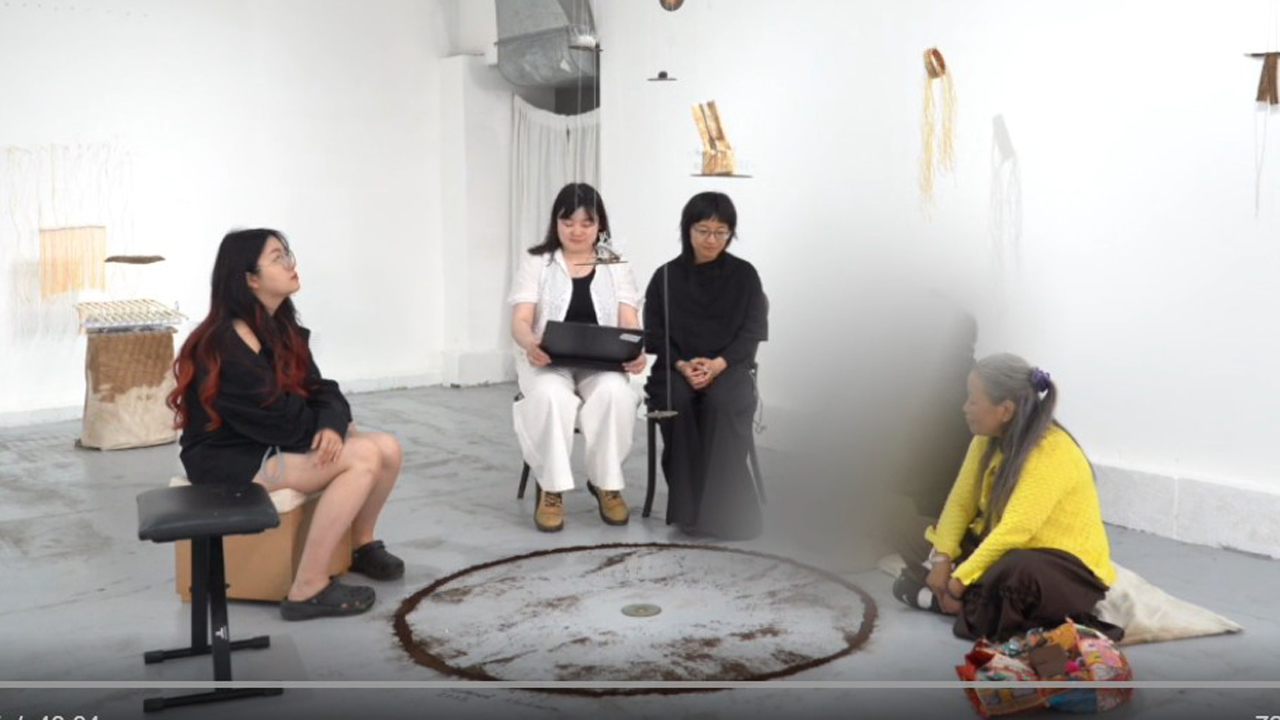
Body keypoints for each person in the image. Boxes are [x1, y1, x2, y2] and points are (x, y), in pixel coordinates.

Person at [168, 229, 405, 621]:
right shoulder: (224, 344)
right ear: (250, 278)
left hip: (265, 440)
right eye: (277, 258)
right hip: (228, 459)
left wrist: (331, 424)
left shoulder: (278, 326)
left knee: (387, 448)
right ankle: (307, 587)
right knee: (362, 456)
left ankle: (360, 545)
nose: (290, 264)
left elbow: (322, 389)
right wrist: (329, 426)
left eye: (287, 254)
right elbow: (283, 423)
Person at [892, 353, 1123, 642]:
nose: (965, 407)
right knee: (909, 530)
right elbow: (960, 503)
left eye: (973, 400)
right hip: (1001, 550)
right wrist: (941, 559)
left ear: (1005, 410)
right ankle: (975, 603)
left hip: (1059, 569)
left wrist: (957, 583)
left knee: (1017, 573)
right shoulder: (984, 438)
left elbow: (1016, 531)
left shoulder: (1051, 451)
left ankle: (948, 602)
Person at [508, 183, 646, 533]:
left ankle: (606, 483)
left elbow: (629, 319)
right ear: (555, 223)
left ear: (600, 225)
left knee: (616, 394)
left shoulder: (616, 265)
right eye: (568, 223)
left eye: (587, 223)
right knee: (551, 397)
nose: (577, 231)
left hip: (600, 361)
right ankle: (551, 488)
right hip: (547, 359)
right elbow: (520, 320)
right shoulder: (537, 262)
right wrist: (530, 343)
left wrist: (635, 349)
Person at [643, 191, 768, 540]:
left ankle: (726, 514)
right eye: (703, 230)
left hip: (730, 367)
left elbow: (752, 333)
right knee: (679, 402)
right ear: (688, 229)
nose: (712, 239)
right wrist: (684, 365)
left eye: (721, 232)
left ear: (730, 233)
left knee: (722, 402)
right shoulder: (665, 277)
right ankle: (689, 513)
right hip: (674, 369)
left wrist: (717, 365)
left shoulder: (745, 276)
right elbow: (654, 334)